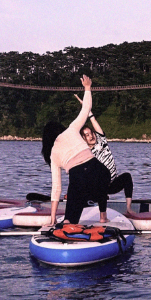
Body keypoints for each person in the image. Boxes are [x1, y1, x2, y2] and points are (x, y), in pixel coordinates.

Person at [41, 75, 111, 225]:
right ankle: (103, 216)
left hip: (77, 177)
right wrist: (87, 88)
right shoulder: (71, 129)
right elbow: (86, 109)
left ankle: (67, 222)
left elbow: (56, 188)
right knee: (101, 182)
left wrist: (52, 218)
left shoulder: (53, 154)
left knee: (73, 206)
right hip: (98, 171)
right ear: (60, 129)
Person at [75, 94, 134, 215]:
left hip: (112, 184)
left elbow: (93, 120)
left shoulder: (102, 141)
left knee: (127, 177)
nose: (90, 136)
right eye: (86, 135)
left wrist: (86, 108)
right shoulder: (86, 152)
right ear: (83, 138)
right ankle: (94, 209)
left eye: (91, 133)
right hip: (98, 187)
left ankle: (128, 209)